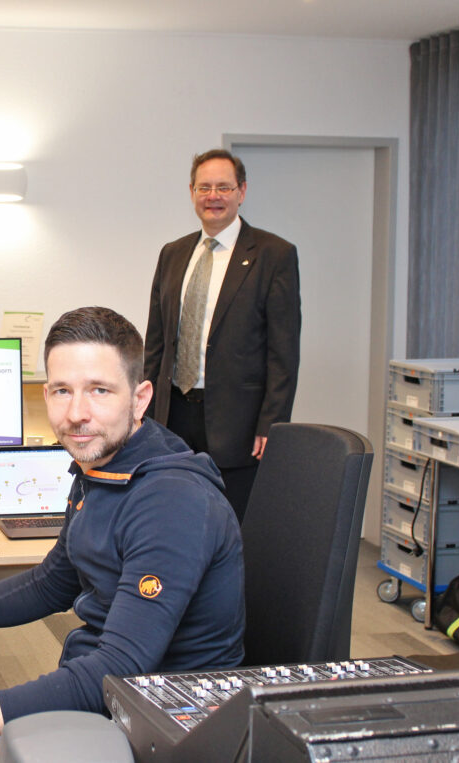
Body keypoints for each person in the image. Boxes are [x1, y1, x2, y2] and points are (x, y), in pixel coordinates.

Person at [0, 306, 244, 756]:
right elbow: (50, 583)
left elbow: (118, 669)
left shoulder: (173, 501)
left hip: (158, 724)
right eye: (61, 391)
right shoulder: (101, 466)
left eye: (100, 390)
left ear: (140, 397)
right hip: (104, 697)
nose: (76, 414)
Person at [144, 149, 300, 520]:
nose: (213, 196)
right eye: (204, 187)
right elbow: (156, 343)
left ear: (241, 191)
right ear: (192, 191)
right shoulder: (173, 253)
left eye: (224, 187)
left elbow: (283, 353)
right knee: (172, 517)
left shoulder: (273, 254)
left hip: (238, 423)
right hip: (173, 416)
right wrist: (143, 414)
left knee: (230, 524)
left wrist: (272, 425)